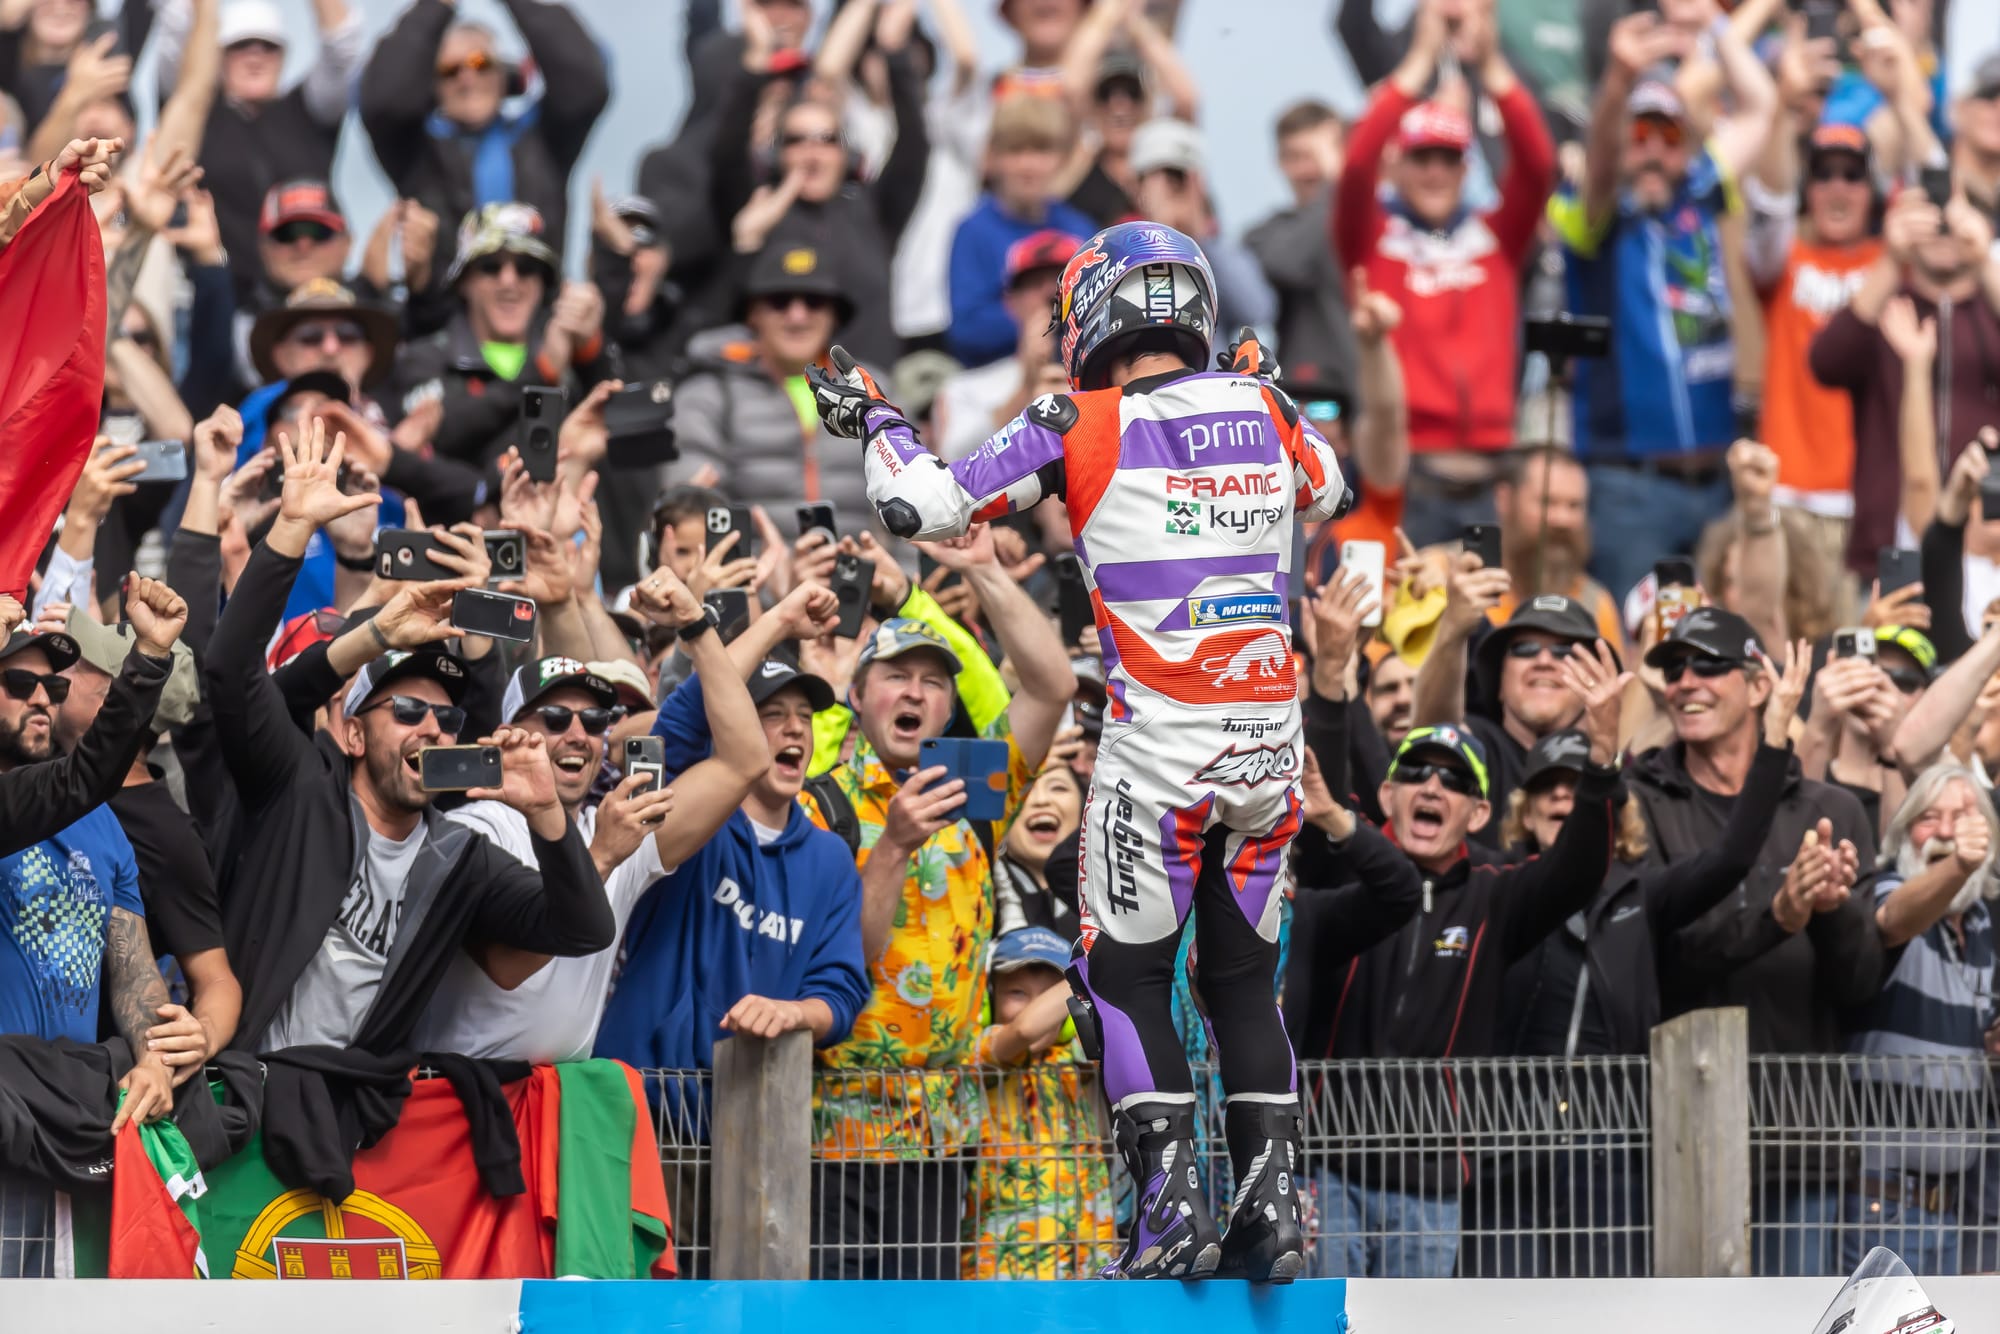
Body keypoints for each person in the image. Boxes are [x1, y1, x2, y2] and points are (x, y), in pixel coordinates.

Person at [810, 220, 1347, 1282]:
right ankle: (1270, 1210)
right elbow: (1327, 486)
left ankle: (1169, 1213)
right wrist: (1256, 381)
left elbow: (920, 504)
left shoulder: (1074, 418)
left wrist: (874, 416)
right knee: (1243, 983)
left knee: (1124, 976)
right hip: (1265, 755)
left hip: (1156, 758)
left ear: (1090, 316)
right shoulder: (1270, 410)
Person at [202, 421, 615, 1055]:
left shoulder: (458, 855)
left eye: (446, 720)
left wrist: (548, 819)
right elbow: (231, 672)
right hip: (250, 1095)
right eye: (407, 710)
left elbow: (583, 928)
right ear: (353, 733)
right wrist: (295, 532)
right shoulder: (298, 790)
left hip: (352, 1121)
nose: (431, 727)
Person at [799, 531, 1071, 1281]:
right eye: (895, 676)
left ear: (950, 705)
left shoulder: (973, 787)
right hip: (836, 1133)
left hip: (944, 1133)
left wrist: (980, 569)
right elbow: (839, 965)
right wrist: (890, 847)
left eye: (933, 681)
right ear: (857, 696)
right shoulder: (819, 803)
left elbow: (1051, 687)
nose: (915, 692)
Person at [1312, 641, 1627, 1279]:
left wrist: (1600, 761)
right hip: (1325, 1163)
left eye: (1455, 780)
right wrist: (1326, 678)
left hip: (1429, 1187)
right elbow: (1317, 788)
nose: (1434, 786)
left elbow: (1577, 870)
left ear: (1480, 812)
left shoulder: (1497, 893)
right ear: (1387, 794)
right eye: (1418, 774)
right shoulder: (1337, 870)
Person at [414, 573, 770, 1061]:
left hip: (564, 1099)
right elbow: (507, 965)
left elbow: (744, 761)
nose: (579, 734)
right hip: (466, 1093)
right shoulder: (476, 828)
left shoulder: (613, 825)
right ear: (511, 733)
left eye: (597, 721)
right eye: (556, 719)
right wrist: (601, 857)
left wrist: (694, 625)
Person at [594, 583, 869, 1075]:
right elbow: (680, 723)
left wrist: (794, 1012)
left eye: (805, 718)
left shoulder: (830, 860)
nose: (795, 730)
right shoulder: (690, 820)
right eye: (772, 715)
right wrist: (779, 619)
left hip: (753, 1115)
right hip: (641, 1099)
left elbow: (841, 993)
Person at [1552, 11, 1780, 601]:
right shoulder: (1595, 216)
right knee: (1639, 644)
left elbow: (1760, 107)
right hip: (1630, 485)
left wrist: (1717, 27)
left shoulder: (1701, 192)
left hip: (1715, 477)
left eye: (1668, 136)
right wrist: (1618, 83)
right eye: (1639, 136)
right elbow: (1601, 166)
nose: (1653, 151)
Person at [1333, 0, 1555, 544]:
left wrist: (1491, 64)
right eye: (1421, 157)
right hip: (1409, 477)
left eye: (1448, 158)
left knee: (1497, 629)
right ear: (1399, 164)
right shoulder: (1372, 241)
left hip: (1494, 476)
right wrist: (1418, 61)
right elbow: (1357, 165)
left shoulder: (1497, 236)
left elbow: (1540, 165)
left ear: (1466, 166)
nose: (1435, 171)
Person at [0, 577, 192, 1138]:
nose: (41, 698)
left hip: (70, 1111)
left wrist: (155, 1055)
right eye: (18, 682)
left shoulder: (102, 823)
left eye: (53, 689)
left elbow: (132, 969)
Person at [45, 607, 241, 1078]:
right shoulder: (33, 776)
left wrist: (201, 1036)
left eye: (74, 668)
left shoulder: (164, 835)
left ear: (116, 701)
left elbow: (216, 977)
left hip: (71, 1085)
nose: (51, 677)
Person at [1843, 765, 1997, 1277]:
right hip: (1879, 1208)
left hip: (1949, 1209)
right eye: (1928, 818)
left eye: (1963, 818)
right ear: (1904, 829)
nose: (1948, 831)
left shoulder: (1980, 925)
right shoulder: (1888, 888)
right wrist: (1959, 864)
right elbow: (1893, 921)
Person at [708, 18, 930, 369]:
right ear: (775, 155)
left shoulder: (874, 210)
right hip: (777, 405)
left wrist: (894, 52)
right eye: (796, 140)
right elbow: (725, 151)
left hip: (868, 402)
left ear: (848, 156)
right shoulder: (755, 210)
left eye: (827, 140)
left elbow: (915, 144)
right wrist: (755, 63)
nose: (812, 153)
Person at [1810, 180, 2000, 580]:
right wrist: (1892, 259)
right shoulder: (1887, 307)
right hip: (1886, 555)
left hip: (1987, 555)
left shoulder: (1991, 312)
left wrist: (1985, 260)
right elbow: (1826, 362)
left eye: (1952, 217)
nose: (1942, 229)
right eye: (1928, 216)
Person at [660, 236, 879, 547]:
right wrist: (767, 582)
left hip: (865, 586)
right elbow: (690, 518)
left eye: (814, 302)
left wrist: (895, 587)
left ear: (835, 315)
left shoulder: (875, 392)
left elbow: (916, 510)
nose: (797, 315)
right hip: (756, 587)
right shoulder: (706, 396)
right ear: (751, 314)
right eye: (779, 302)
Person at [359, 0, 608, 272]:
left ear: (505, 76)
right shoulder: (416, 153)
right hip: (441, 312)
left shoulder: (544, 139)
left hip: (540, 307)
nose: (467, 79)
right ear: (433, 88)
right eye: (450, 71)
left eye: (481, 62)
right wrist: (438, 5)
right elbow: (384, 102)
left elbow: (585, 86)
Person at [154, 0, 365, 299]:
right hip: (213, 298)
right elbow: (175, 40)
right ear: (217, 56)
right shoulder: (196, 115)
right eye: (241, 46)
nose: (255, 56)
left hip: (306, 297)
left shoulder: (308, 111)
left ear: (283, 56)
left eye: (268, 46)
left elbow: (343, 49)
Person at [390, 202, 614, 476]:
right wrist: (541, 372)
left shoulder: (572, 359)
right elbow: (445, 435)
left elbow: (625, 441)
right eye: (490, 267)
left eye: (526, 268)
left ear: (544, 284)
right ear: (463, 282)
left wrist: (591, 353)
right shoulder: (424, 357)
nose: (509, 281)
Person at [960, 924, 1115, 1280]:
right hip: (1004, 1258)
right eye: (1017, 992)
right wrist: (1083, 969)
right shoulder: (986, 1047)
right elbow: (1026, 1030)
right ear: (989, 998)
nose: (1037, 1005)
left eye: (1048, 994)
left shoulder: (1079, 1054)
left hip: (1085, 1252)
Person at [1412, 552, 1596, 834]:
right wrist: (1453, 628)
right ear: (1499, 679)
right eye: (1525, 649)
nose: (1544, 661)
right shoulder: (1480, 745)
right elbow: (1434, 733)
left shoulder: (1604, 761)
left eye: (1565, 652)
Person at [946, 93, 1096, 368]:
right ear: (993, 158)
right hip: (997, 376)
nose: (1028, 166)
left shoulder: (1080, 230)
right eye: (1016, 151)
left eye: (1041, 151)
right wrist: (1038, 314)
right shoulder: (973, 231)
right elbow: (967, 330)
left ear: (1060, 158)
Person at [1246, 100, 1357, 412]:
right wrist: (1339, 184)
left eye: (1316, 157)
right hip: (1315, 410)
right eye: (1295, 157)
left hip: (1380, 405)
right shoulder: (1265, 235)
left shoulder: (1377, 225)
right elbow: (1288, 263)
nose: (1309, 170)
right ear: (1278, 162)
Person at [934, 227, 1077, 463]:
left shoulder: (1108, 375)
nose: (1050, 292)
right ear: (1011, 301)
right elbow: (953, 462)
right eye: (1035, 282)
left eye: (1063, 280)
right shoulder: (965, 389)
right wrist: (1026, 389)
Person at [1128, 119, 1276, 341]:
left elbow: (1257, 310)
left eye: (1178, 175)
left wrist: (1198, 239)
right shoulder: (1119, 245)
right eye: (1161, 175)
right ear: (1137, 185)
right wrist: (1160, 237)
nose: (1172, 186)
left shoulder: (1213, 249)